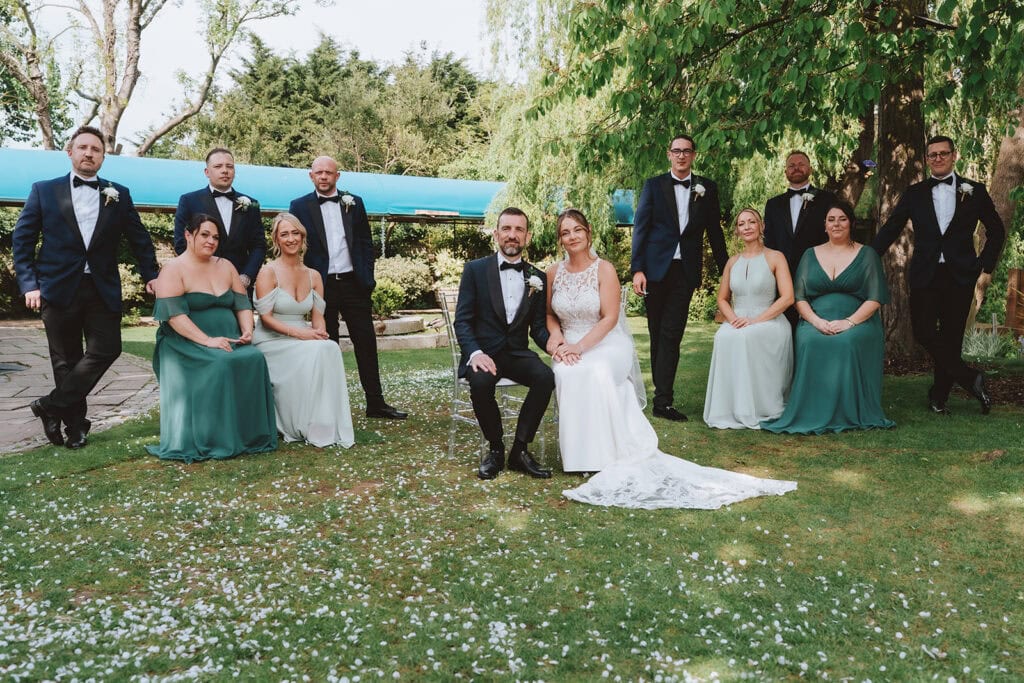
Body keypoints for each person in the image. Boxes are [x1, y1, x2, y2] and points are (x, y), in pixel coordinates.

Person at [547, 209, 796, 509]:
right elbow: (549, 315)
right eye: (565, 232)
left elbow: (610, 318)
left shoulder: (604, 269)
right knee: (567, 373)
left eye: (577, 230)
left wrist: (580, 347)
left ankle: (603, 453)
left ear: (588, 232)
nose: (572, 236)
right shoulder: (552, 273)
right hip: (569, 343)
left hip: (604, 342)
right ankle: (576, 455)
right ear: (560, 239)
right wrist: (557, 340)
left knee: (597, 370)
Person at [12, 125, 159, 449]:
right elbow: (22, 239)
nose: (89, 153)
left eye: (96, 149)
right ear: (70, 152)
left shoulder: (118, 194)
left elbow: (139, 238)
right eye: (83, 148)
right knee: (65, 359)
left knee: (108, 348)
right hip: (57, 288)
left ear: (103, 157)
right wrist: (29, 284)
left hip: (101, 287)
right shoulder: (44, 190)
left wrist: (151, 274)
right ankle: (75, 427)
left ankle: (49, 406)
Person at [872, 135, 1005, 415]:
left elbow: (996, 230)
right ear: (927, 159)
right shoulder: (915, 193)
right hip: (925, 273)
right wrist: (867, 254)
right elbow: (892, 227)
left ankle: (939, 397)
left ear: (954, 155)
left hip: (961, 273)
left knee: (952, 337)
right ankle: (971, 379)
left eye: (943, 153)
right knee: (922, 331)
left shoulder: (975, 190)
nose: (938, 158)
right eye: (932, 155)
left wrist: (984, 265)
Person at [146, 214, 277, 462]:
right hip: (185, 342)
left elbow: (241, 304)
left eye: (215, 237)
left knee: (255, 357)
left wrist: (247, 329)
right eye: (204, 234)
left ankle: (250, 436)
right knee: (221, 363)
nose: (211, 241)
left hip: (230, 338)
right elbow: (174, 317)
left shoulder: (226, 266)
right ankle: (215, 438)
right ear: (188, 235)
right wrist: (207, 341)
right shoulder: (173, 269)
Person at [289, 156, 407, 420]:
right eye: (318, 172)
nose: (323, 177)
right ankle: (328, 405)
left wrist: (368, 279)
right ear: (311, 176)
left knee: (366, 343)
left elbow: (365, 243)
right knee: (326, 345)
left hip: (354, 283)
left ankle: (376, 403)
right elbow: (295, 247)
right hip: (322, 286)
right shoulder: (299, 206)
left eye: (328, 173)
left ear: (337, 176)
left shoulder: (354, 203)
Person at [762, 202, 894, 434]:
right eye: (831, 219)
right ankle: (809, 410)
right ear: (824, 225)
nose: (836, 224)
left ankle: (849, 411)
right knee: (811, 341)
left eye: (842, 219)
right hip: (815, 319)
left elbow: (874, 299)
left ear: (851, 223)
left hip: (858, 321)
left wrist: (849, 322)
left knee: (846, 342)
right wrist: (815, 321)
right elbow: (799, 297)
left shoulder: (867, 254)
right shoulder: (810, 254)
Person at [631, 133, 729, 421]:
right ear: (669, 154)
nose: (682, 155)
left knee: (672, 334)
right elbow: (641, 229)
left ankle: (663, 402)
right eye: (677, 151)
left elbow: (714, 232)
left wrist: (727, 271)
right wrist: (637, 269)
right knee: (656, 332)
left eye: (687, 151)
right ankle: (661, 396)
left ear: (694, 155)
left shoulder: (706, 188)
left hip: (685, 271)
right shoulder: (654, 185)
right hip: (654, 270)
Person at [454, 207, 554, 480]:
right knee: (481, 383)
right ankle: (496, 449)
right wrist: (474, 353)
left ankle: (519, 450)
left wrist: (556, 346)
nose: (512, 235)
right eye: (507, 229)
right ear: (497, 233)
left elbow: (538, 329)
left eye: (519, 230)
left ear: (527, 236)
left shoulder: (538, 276)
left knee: (546, 377)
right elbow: (462, 321)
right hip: (484, 353)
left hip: (516, 353)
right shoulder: (475, 270)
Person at [253, 213, 354, 448]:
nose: (291, 239)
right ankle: (300, 423)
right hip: (272, 340)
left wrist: (319, 334)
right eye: (284, 234)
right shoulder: (267, 272)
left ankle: (324, 423)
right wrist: (303, 335)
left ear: (303, 236)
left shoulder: (314, 275)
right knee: (318, 351)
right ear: (276, 240)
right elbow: (266, 319)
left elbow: (318, 319)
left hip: (304, 336)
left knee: (328, 348)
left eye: (295, 233)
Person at [703, 209, 794, 429]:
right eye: (742, 224)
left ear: (761, 226)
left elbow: (788, 297)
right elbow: (722, 298)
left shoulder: (775, 257)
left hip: (769, 321)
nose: (747, 227)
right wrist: (733, 319)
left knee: (746, 337)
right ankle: (730, 408)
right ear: (737, 231)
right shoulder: (732, 262)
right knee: (723, 337)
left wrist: (756, 320)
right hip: (738, 319)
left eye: (752, 222)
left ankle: (760, 407)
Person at [173, 147, 265, 293]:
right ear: (207, 172)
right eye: (218, 166)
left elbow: (258, 245)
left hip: (239, 285)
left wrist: (247, 276)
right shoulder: (189, 200)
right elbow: (180, 242)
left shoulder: (251, 203)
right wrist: (199, 272)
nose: (225, 170)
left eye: (230, 166)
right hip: (199, 284)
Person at [762, 150, 837, 327]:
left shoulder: (827, 199)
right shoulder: (773, 204)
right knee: (784, 325)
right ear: (785, 172)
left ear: (810, 169)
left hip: (816, 272)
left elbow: (833, 236)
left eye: (801, 164)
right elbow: (769, 240)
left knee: (814, 323)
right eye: (791, 165)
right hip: (782, 275)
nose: (796, 168)